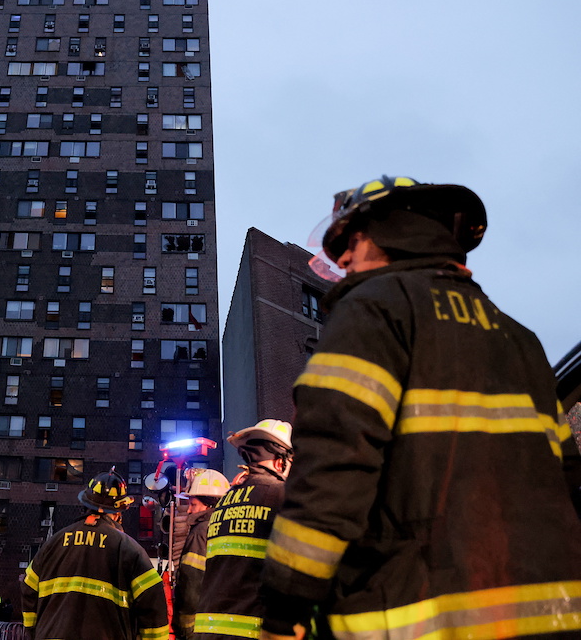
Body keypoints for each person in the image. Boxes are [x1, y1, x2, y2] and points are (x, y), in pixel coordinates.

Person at [259, 176, 581, 640]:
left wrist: (285, 603)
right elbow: (565, 476)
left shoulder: (372, 311)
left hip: (414, 615)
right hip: (551, 616)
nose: (344, 260)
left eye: (351, 242)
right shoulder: (520, 340)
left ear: (390, 233)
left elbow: (333, 471)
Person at [21, 469, 169, 640]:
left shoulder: (52, 544)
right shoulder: (129, 549)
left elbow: (28, 588)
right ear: (118, 513)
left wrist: (33, 631)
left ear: (85, 504)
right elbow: (153, 606)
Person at [194, 420, 294, 639]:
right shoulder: (282, 496)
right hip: (251, 631)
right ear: (280, 462)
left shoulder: (225, 501)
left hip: (208, 630)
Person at [172, 468, 229, 640]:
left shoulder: (200, 531)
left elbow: (191, 580)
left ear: (209, 504)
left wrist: (183, 624)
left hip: (198, 621)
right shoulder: (227, 527)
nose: (189, 510)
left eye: (193, 504)